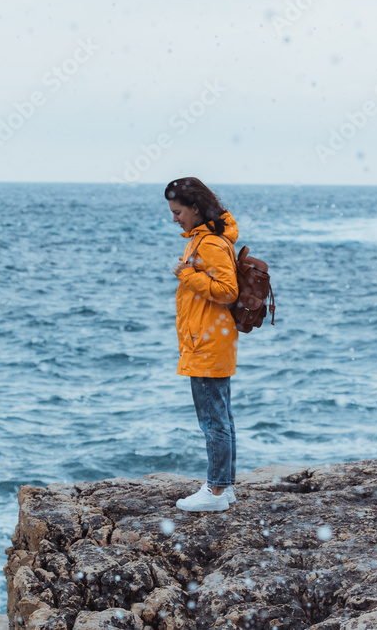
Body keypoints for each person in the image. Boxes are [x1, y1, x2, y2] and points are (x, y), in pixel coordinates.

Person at [165, 177, 240, 513]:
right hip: (212, 338)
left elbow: (227, 290)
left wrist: (187, 275)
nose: (175, 218)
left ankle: (215, 490)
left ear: (195, 207)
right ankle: (224, 486)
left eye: (178, 211)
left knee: (213, 420)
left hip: (208, 341)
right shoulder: (206, 237)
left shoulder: (209, 243)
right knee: (221, 416)